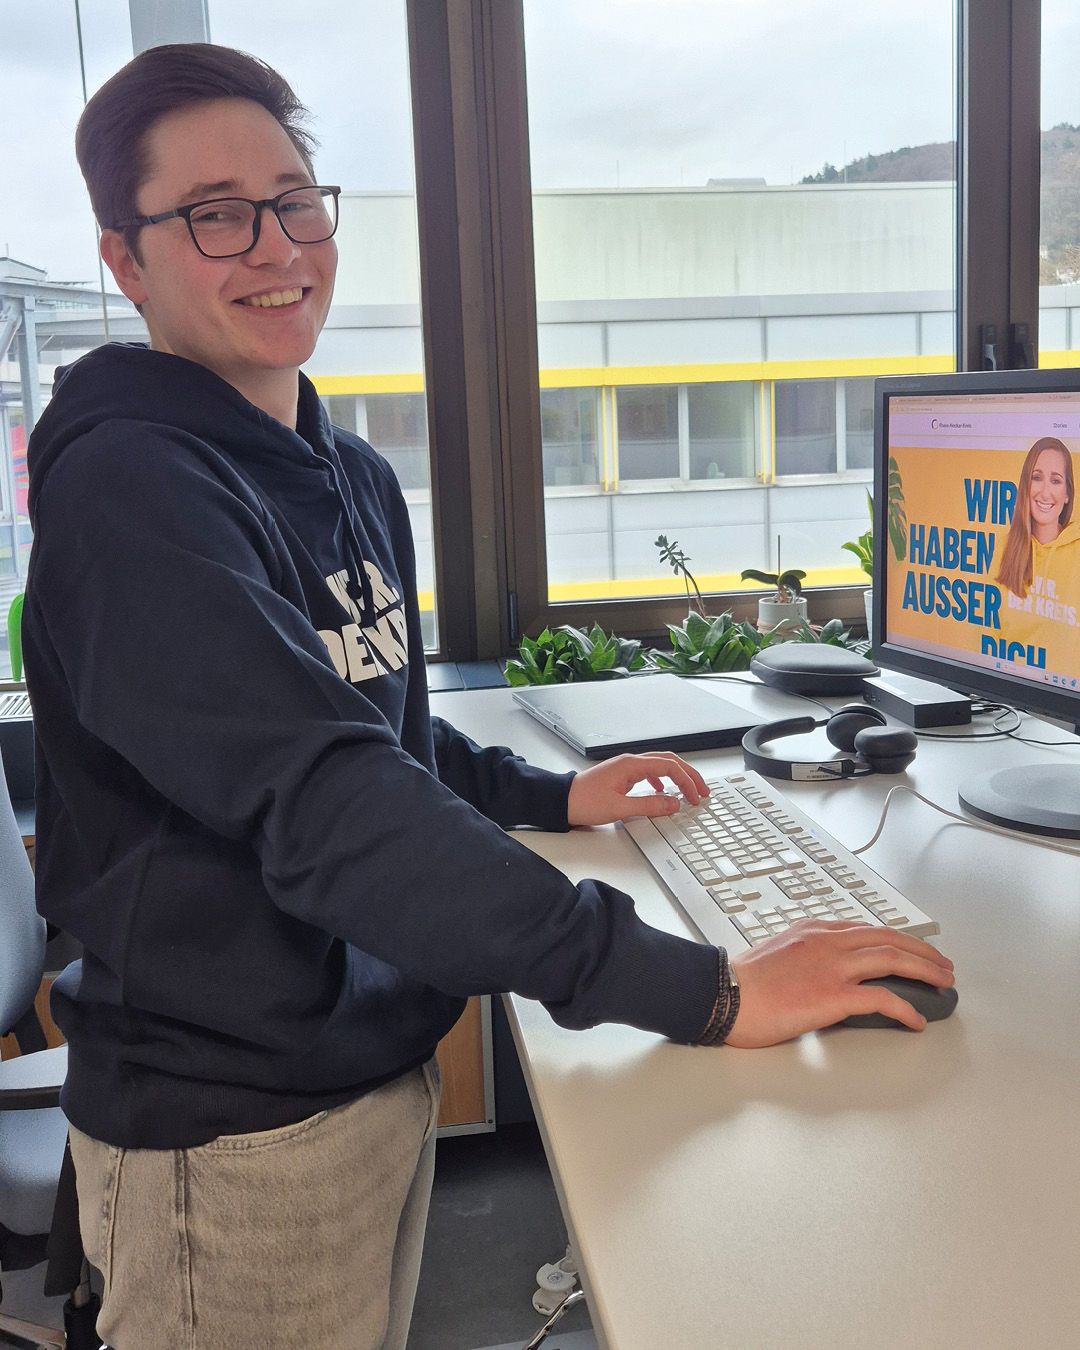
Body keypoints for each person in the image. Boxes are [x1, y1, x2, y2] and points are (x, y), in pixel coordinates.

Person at [23, 43, 955, 1350]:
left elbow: (375, 729)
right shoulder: (135, 493)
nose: (276, 243)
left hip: (359, 1065)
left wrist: (545, 789)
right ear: (128, 259)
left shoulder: (337, 467)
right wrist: (709, 990)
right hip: (231, 1124)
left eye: (295, 199)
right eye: (214, 215)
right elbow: (329, 800)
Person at [994, 436, 1079, 670]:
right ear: (1025, 486)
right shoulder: (1003, 547)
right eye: (1037, 477)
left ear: (1067, 493)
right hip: (1008, 694)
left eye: (1055, 480)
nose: (1044, 491)